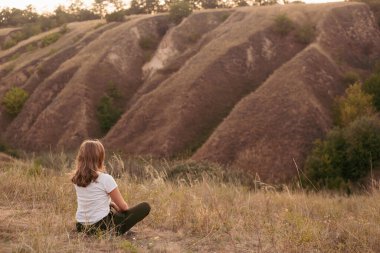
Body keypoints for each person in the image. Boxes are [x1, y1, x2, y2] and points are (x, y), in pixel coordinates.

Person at [71, 139, 150, 235]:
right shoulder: (105, 179)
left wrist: (111, 204)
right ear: (100, 157)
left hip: (81, 226)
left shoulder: (76, 178)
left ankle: (118, 227)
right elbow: (124, 207)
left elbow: (93, 199)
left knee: (113, 213)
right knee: (145, 207)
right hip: (101, 226)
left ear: (81, 157)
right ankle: (120, 230)